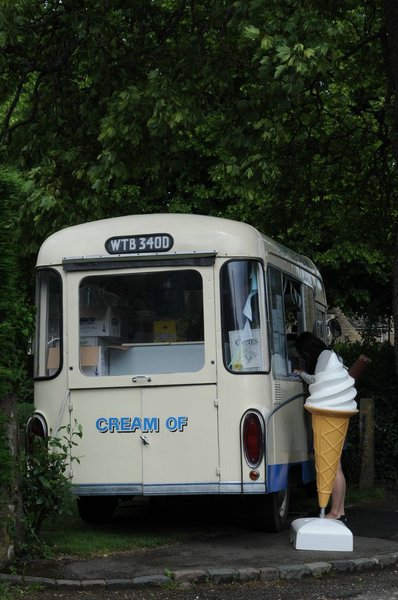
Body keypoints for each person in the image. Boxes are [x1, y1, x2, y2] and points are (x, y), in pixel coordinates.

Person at [294, 331, 352, 523]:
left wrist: (301, 374)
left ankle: (334, 511)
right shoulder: (333, 355)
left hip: (328, 411)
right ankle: (339, 510)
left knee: (332, 466)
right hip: (339, 411)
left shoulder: (324, 357)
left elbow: (318, 381)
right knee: (337, 466)